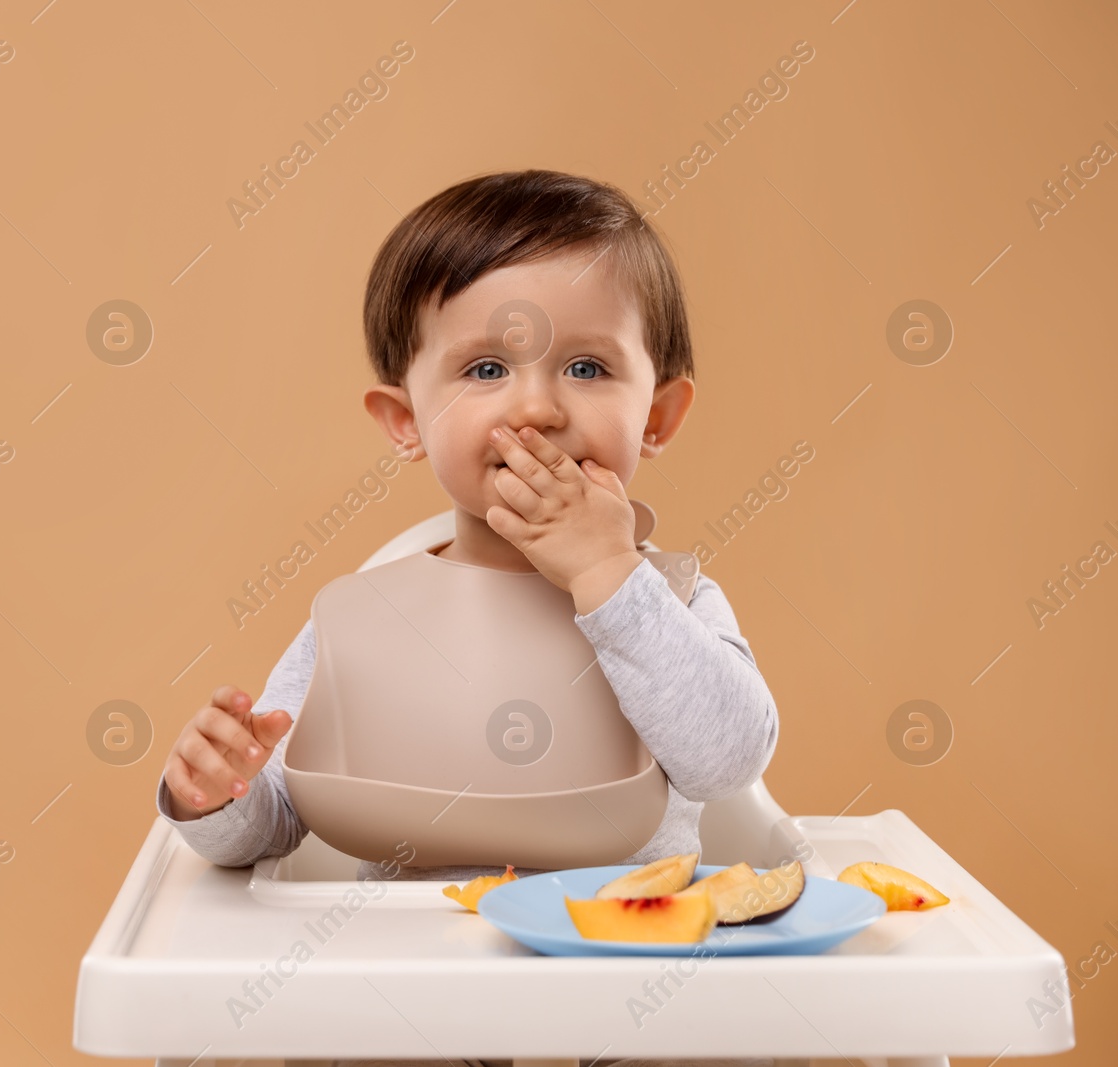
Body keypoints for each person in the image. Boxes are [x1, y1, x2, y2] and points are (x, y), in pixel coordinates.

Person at [153, 169, 781, 1067]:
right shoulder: (368, 615)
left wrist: (608, 573)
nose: (537, 407)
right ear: (405, 420)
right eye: (486, 369)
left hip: (629, 982)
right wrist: (217, 795)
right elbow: (285, 813)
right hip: (415, 993)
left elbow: (727, 758)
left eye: (588, 367)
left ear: (660, 416)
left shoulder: (672, 600)